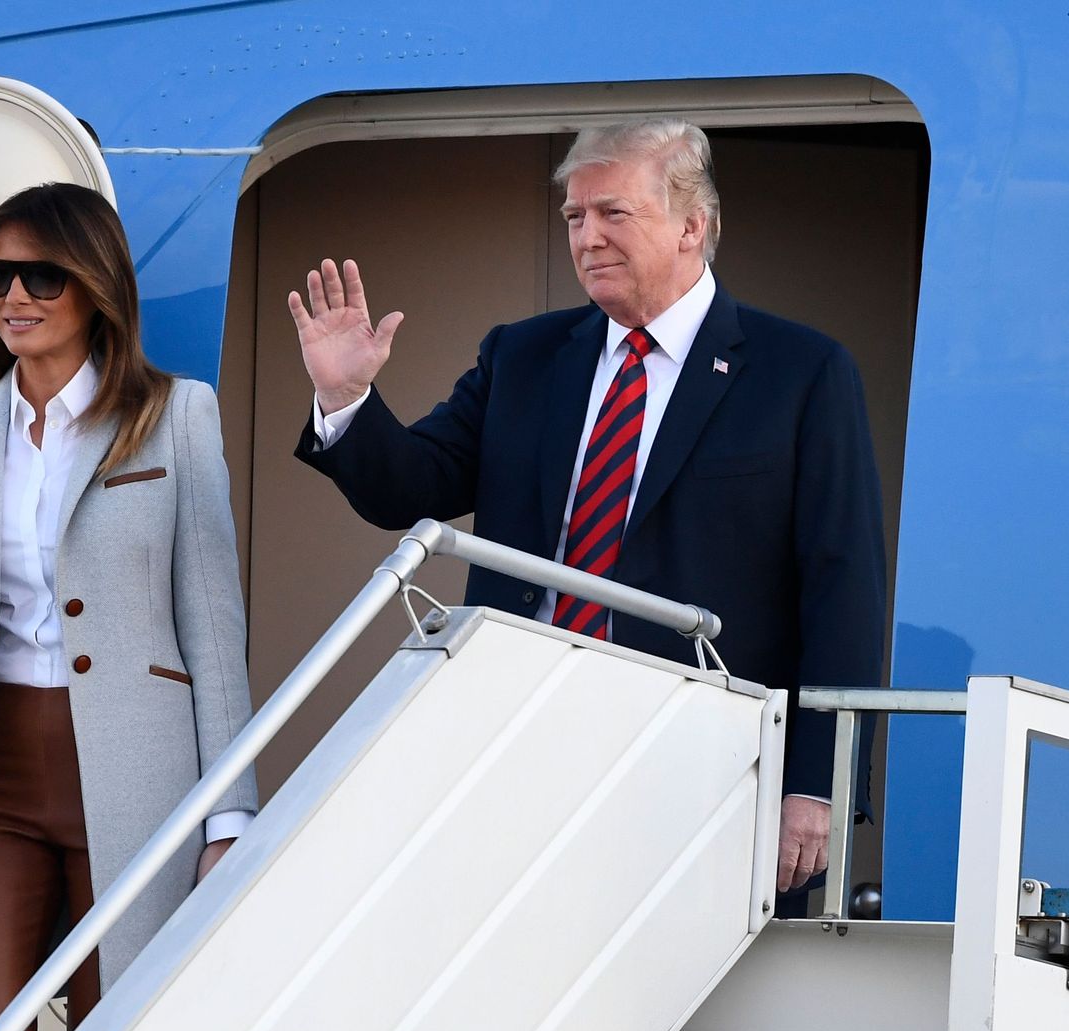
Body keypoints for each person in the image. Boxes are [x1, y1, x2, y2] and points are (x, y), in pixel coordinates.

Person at [288, 118, 886, 912]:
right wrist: (345, 396)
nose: (588, 236)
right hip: (515, 737)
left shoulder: (801, 372)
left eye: (614, 213)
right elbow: (409, 488)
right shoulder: (524, 356)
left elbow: (843, 586)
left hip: (704, 762)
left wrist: (815, 784)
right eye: (574, 217)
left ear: (691, 225)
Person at [0, 182, 257, 1031]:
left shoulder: (174, 414)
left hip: (138, 774)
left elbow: (211, 628)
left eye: (42, 276)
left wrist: (231, 815)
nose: (15, 297)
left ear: (94, 286)